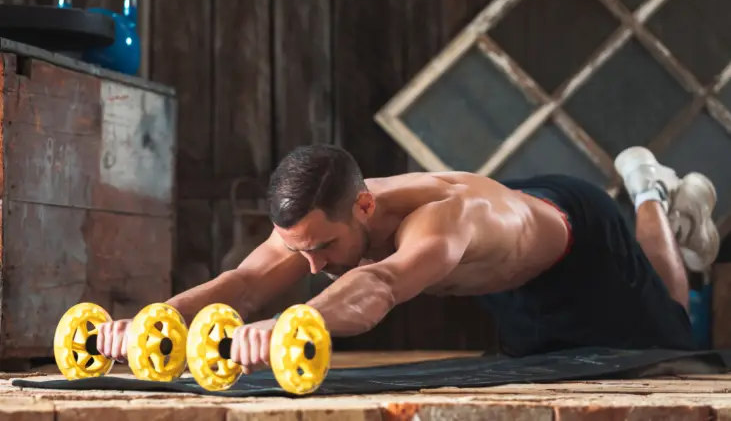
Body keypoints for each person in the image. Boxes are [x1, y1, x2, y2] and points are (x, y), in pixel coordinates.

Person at [96, 144, 719, 371]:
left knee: (671, 329)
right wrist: (147, 324)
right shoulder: (323, 220)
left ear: (364, 209)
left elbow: (382, 285)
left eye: (323, 250)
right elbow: (245, 282)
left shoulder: (439, 221)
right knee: (548, 355)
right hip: (505, 270)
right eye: (298, 249)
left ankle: (648, 192)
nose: (311, 265)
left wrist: (292, 324)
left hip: (575, 239)